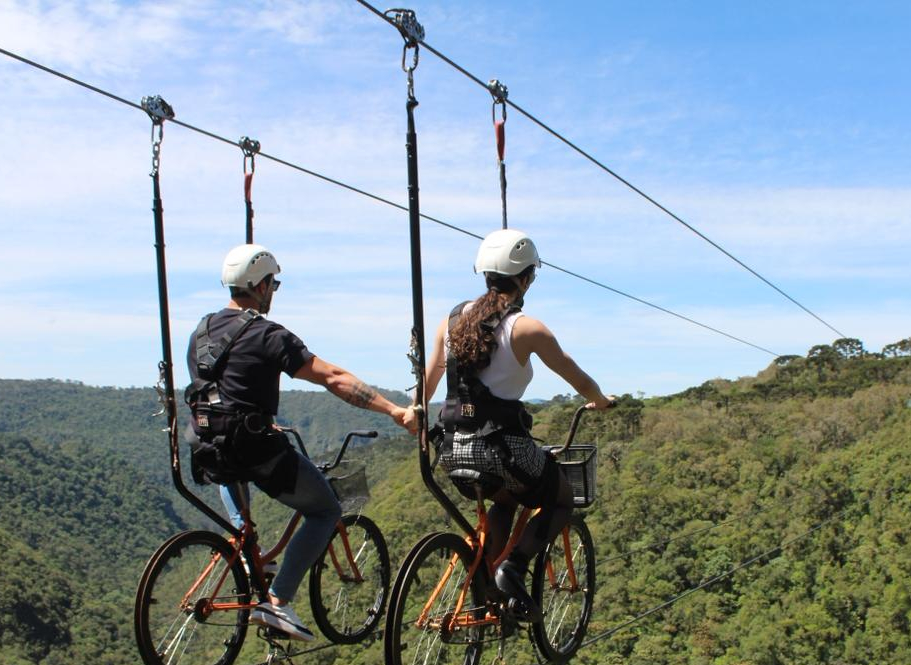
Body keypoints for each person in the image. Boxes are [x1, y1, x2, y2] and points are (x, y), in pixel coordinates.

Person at [185, 243, 416, 642]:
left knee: (229, 467)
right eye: (273, 284)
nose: (273, 291)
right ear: (260, 286)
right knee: (325, 510)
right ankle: (277, 603)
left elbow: (228, 389)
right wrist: (393, 410)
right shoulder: (268, 334)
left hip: (207, 444)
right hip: (254, 449)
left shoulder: (200, 331)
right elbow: (333, 378)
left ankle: (246, 548)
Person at [423, 228, 612, 622]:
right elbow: (575, 376)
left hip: (451, 449)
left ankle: (490, 586)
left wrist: (416, 414)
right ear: (526, 278)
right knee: (562, 498)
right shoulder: (527, 328)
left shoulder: (451, 321)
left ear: (485, 274)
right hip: (502, 450)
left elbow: (428, 383)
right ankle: (513, 568)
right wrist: (599, 399)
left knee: (506, 499)